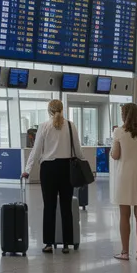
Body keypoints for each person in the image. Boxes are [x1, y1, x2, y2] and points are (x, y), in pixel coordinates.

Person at [23, 100, 83, 255]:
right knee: (66, 207)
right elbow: (77, 149)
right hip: (67, 168)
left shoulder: (44, 126)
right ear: (62, 110)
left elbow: (36, 151)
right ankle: (66, 244)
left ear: (49, 111)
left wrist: (27, 169)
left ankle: (49, 243)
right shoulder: (71, 126)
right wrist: (84, 166)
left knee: (49, 207)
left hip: (48, 169)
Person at [106, 103, 137, 261]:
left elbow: (116, 155)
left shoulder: (119, 131)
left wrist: (112, 149)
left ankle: (125, 252)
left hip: (124, 175)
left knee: (124, 215)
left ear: (125, 115)